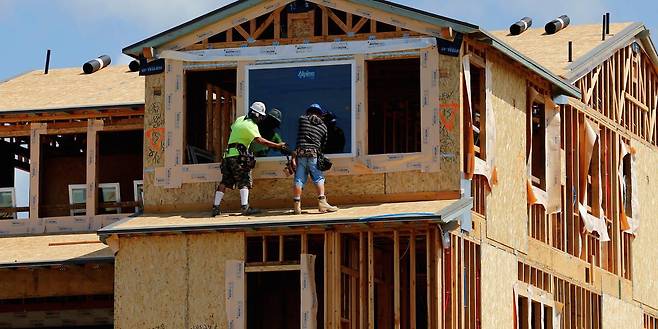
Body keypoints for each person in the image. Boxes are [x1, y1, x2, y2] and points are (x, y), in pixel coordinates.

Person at [212, 102, 288, 217]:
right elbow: (260, 141)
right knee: (244, 181)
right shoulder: (252, 126)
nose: (261, 119)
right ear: (257, 115)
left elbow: (234, 129)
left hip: (227, 155)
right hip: (238, 156)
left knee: (224, 181)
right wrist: (277, 146)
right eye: (261, 116)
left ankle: (215, 208)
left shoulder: (240, 119)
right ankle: (245, 208)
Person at [292, 103, 339, 214]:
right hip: (313, 154)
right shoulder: (323, 127)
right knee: (318, 178)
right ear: (320, 114)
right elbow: (323, 145)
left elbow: (304, 119)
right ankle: (322, 204)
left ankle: (297, 206)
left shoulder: (302, 119)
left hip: (301, 153)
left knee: (299, 179)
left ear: (309, 112)